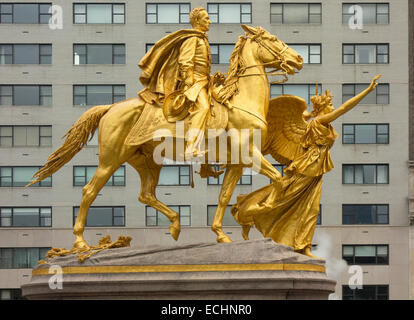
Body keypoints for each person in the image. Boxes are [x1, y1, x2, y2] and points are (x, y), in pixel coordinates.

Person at [231, 75, 381, 258]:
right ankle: (250, 210)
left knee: (310, 209)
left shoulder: (314, 123)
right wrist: (367, 91)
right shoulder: (319, 122)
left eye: (332, 106)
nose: (332, 108)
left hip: (316, 173)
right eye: (330, 106)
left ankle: (303, 247)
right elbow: (343, 108)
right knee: (285, 200)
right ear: (323, 109)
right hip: (307, 169)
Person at [136, 7, 212, 160]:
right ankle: (191, 146)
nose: (210, 21)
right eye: (206, 19)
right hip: (194, 83)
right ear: (197, 21)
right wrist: (190, 83)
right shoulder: (192, 39)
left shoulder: (202, 38)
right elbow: (185, 62)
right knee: (203, 108)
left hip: (204, 81)